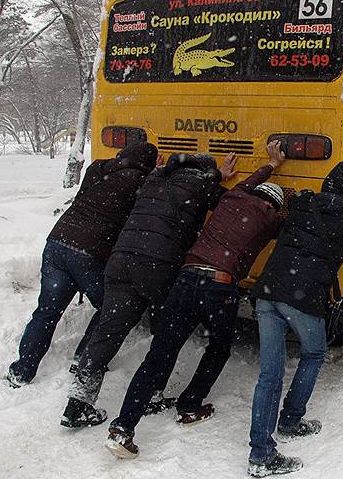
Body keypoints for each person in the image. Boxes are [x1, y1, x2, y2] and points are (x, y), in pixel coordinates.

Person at [103, 141, 287, 459]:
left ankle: (123, 428)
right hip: (220, 287)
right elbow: (288, 221)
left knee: (158, 355)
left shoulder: (232, 197)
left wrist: (271, 165)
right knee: (219, 348)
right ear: (273, 205)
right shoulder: (270, 220)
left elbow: (250, 184)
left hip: (186, 278)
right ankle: (189, 405)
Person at [60, 151, 236, 428]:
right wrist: (219, 177)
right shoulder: (201, 184)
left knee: (107, 331)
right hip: (157, 267)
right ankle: (152, 393)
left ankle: (78, 403)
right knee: (165, 334)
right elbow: (227, 200)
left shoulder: (154, 178)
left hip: (121, 260)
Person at [247, 161, 343, 478]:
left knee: (270, 374)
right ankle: (290, 420)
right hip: (302, 298)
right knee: (314, 352)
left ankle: (261, 453)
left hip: (267, 291)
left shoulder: (303, 201)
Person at [6, 142, 159, 388]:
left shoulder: (97, 169)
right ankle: (84, 358)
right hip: (90, 252)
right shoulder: (140, 183)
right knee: (109, 307)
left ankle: (22, 370)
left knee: (46, 312)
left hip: (58, 242)